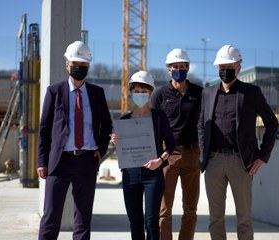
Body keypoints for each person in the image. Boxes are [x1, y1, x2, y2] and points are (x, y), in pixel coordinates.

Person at [197, 44, 279, 240]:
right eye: (221, 67)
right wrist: (204, 155)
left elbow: (272, 124)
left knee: (243, 218)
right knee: (215, 218)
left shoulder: (251, 93)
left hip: (241, 162)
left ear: (239, 67)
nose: (225, 70)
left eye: (229, 66)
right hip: (214, 161)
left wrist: (262, 157)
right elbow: (201, 126)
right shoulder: (207, 94)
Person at [37, 40, 113, 240]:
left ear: (88, 66)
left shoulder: (97, 93)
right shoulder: (54, 92)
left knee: (83, 217)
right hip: (59, 162)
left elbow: (106, 125)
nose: (79, 68)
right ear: (67, 65)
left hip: (87, 161)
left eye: (83, 65)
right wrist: (41, 161)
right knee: (51, 215)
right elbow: (44, 129)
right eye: (75, 64)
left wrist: (101, 149)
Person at [111, 71, 175, 240]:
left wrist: (160, 161)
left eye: (143, 91)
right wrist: (116, 140)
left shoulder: (159, 117)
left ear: (151, 92)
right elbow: (122, 149)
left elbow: (171, 144)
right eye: (136, 91)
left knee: (151, 221)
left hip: (153, 175)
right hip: (130, 176)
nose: (140, 95)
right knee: (135, 222)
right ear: (131, 93)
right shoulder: (124, 121)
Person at [151, 48, 203, 240]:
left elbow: (206, 123)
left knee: (190, 208)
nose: (178, 70)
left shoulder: (199, 93)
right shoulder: (160, 94)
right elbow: (153, 127)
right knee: (164, 208)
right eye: (175, 67)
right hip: (168, 156)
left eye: (182, 66)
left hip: (192, 153)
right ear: (168, 69)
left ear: (188, 68)